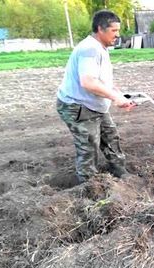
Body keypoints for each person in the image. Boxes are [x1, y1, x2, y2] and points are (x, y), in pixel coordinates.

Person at [57, 10, 134, 183]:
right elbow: (88, 82)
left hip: (94, 105)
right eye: (114, 31)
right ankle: (89, 185)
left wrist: (119, 95)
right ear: (101, 29)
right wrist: (115, 98)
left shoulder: (101, 48)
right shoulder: (89, 49)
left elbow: (102, 81)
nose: (117, 35)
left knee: (110, 136)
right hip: (77, 106)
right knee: (88, 146)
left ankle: (119, 170)